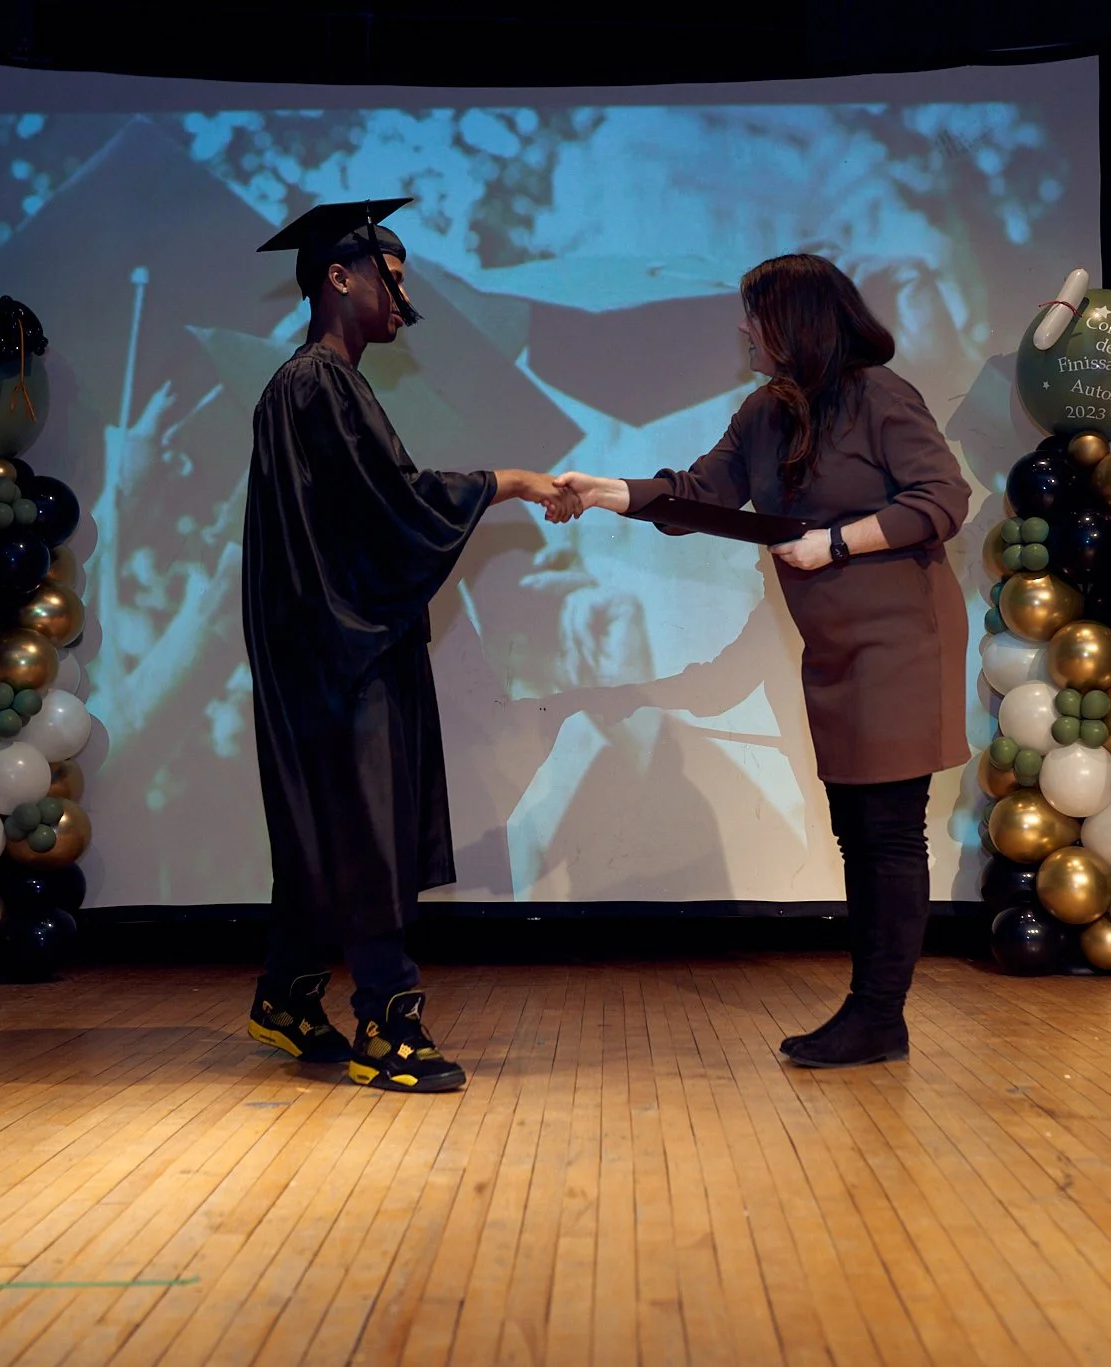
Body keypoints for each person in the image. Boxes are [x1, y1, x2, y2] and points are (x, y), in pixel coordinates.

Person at [556, 253, 971, 1069]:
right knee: (860, 829)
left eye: (755, 315)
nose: (744, 330)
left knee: (887, 830)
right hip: (835, 647)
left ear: (798, 322)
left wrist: (839, 540)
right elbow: (701, 491)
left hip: (901, 640)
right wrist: (609, 491)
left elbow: (942, 499)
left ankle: (878, 1016)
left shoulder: (883, 397)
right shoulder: (765, 413)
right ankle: (874, 1013)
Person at [241, 197, 575, 1091]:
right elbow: (393, 503)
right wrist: (505, 481)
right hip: (341, 653)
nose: (401, 296)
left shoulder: (311, 383)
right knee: (365, 827)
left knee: (333, 825)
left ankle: (286, 996)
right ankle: (387, 1027)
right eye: (390, 275)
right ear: (338, 277)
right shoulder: (317, 383)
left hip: (329, 645)